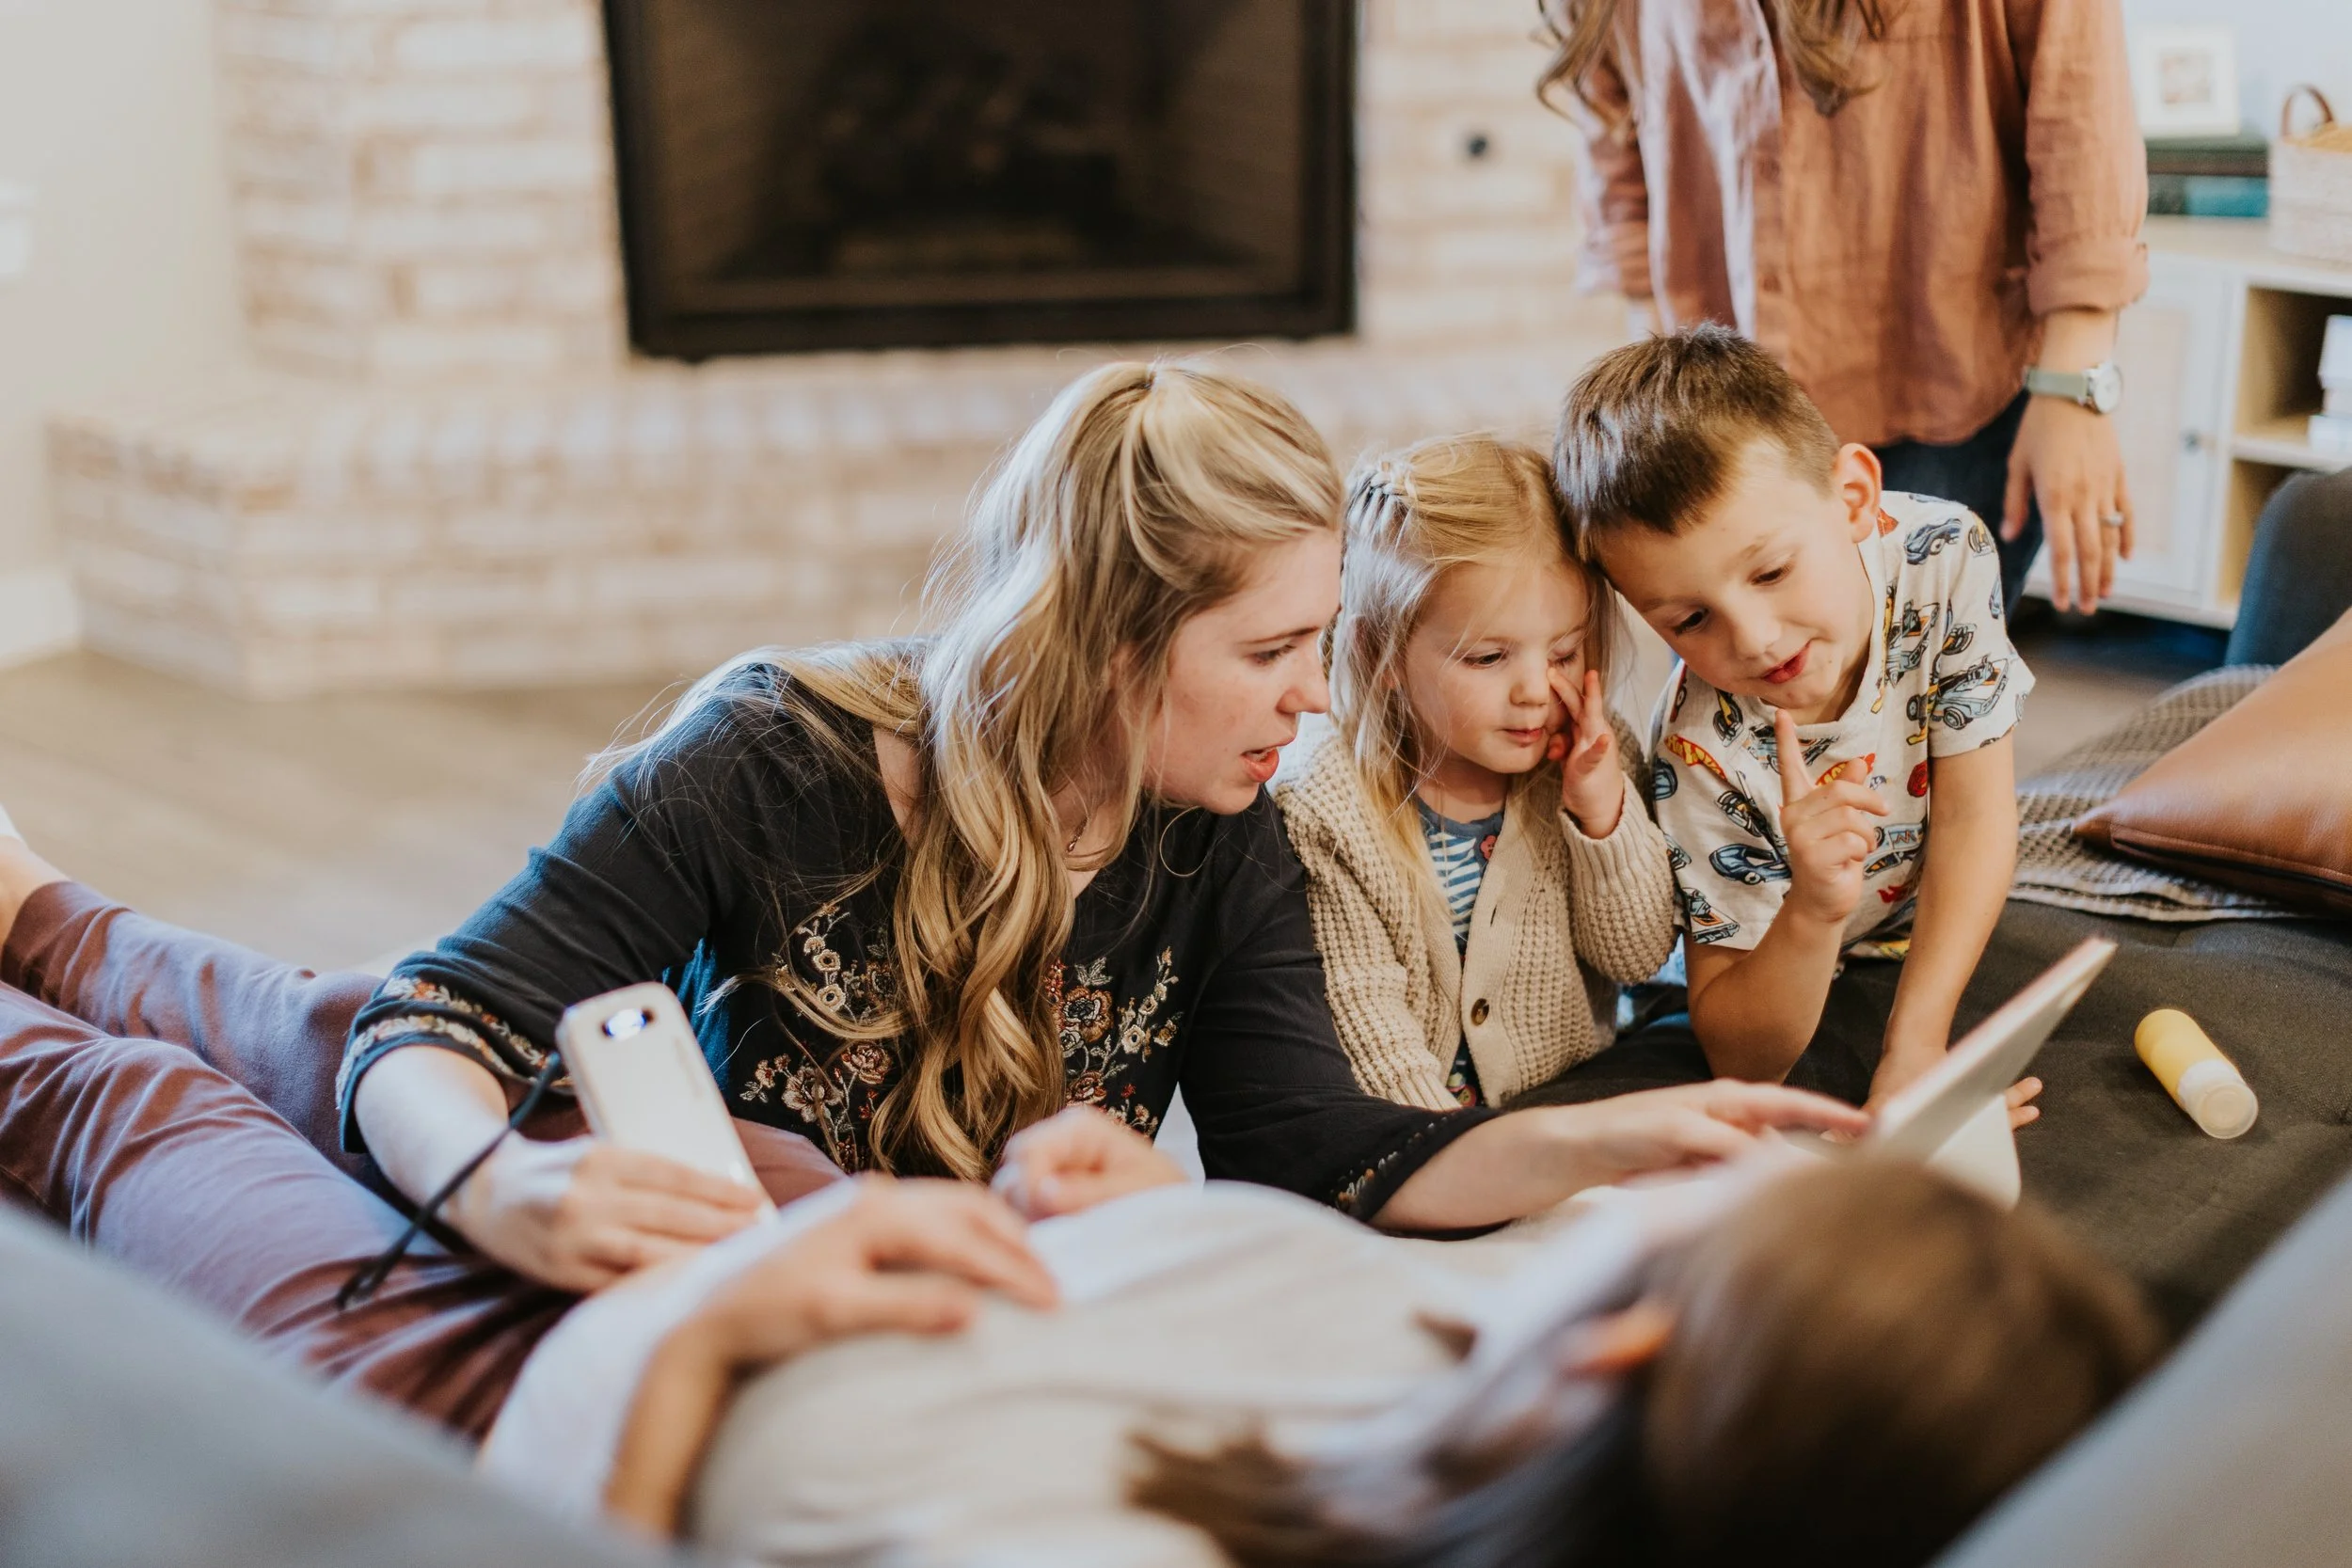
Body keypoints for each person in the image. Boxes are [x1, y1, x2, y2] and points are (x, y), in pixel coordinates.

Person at [0, 822, 1865, 1444]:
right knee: (364, 1021)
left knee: (127, 1109)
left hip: (541, 1386)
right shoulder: (1453, 1367)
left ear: (1631, 1342)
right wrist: (1117, 1211)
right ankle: (51, 911)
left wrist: (710, 1329)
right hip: (817, 1221)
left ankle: (43, 953)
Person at [485, 1109, 2158, 1567]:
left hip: (587, 1402)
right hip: (913, 1243)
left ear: (1619, 1358)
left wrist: (703, 1350)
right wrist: (1168, 1216)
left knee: (223, 1073)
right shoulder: (1549, 1437)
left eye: (1745, 1200)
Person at [1556, 326, 2039, 1114]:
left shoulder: (1945, 555)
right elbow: (1739, 1056)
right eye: (1690, 620)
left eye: (1773, 570)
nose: (1754, 640)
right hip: (1779, 962)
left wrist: (1915, 1046)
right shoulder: (1700, 750)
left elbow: (1976, 810)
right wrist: (1814, 904)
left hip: (1910, 926)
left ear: (1853, 496)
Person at [1540, 0, 2148, 618]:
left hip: (1948, 398)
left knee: (1917, 693)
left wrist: (2075, 384)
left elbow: (2080, 118)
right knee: (1740, 700)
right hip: (1728, 413)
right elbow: (1620, 160)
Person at [1277, 435, 1678, 1111]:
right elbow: (1369, 1030)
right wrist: (1460, 1164)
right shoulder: (1326, 802)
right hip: (1418, 1139)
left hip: (1571, 1110)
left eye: (1563, 651)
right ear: (1385, 653)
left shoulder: (1589, 760)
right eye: (1488, 657)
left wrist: (1603, 815)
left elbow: (1638, 957)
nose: (1534, 690)